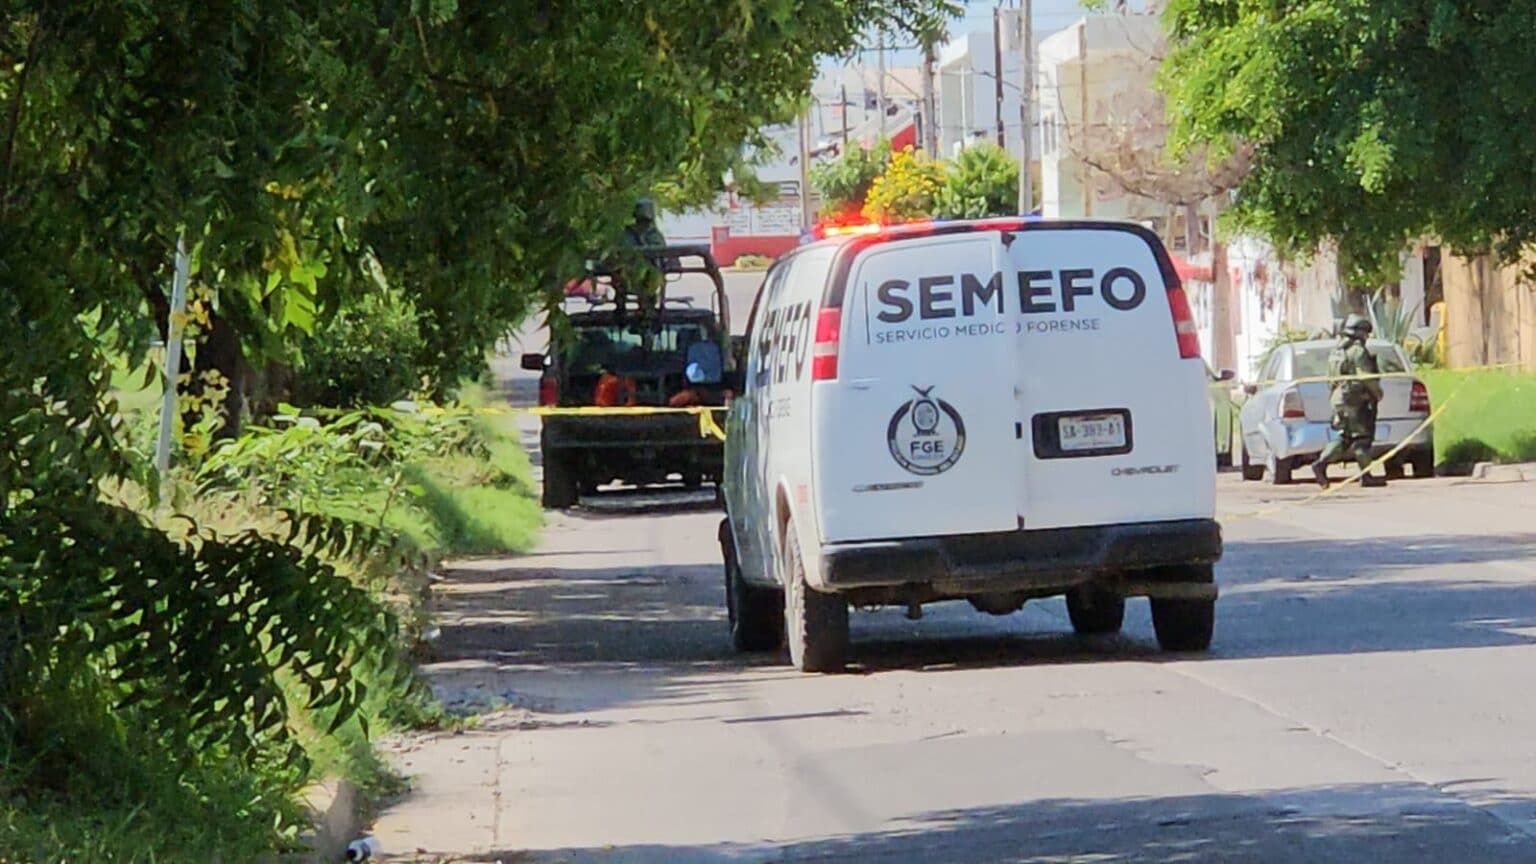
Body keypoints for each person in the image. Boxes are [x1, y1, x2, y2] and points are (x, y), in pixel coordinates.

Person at [1311, 314, 1386, 488]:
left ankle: (1321, 464)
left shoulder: (1336, 352)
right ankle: (1366, 475)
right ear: (1359, 333)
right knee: (1362, 438)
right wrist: (1377, 392)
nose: (1366, 337)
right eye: (1365, 333)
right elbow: (1365, 376)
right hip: (1355, 399)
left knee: (1345, 437)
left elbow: (1331, 379)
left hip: (1339, 397)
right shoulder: (1357, 351)